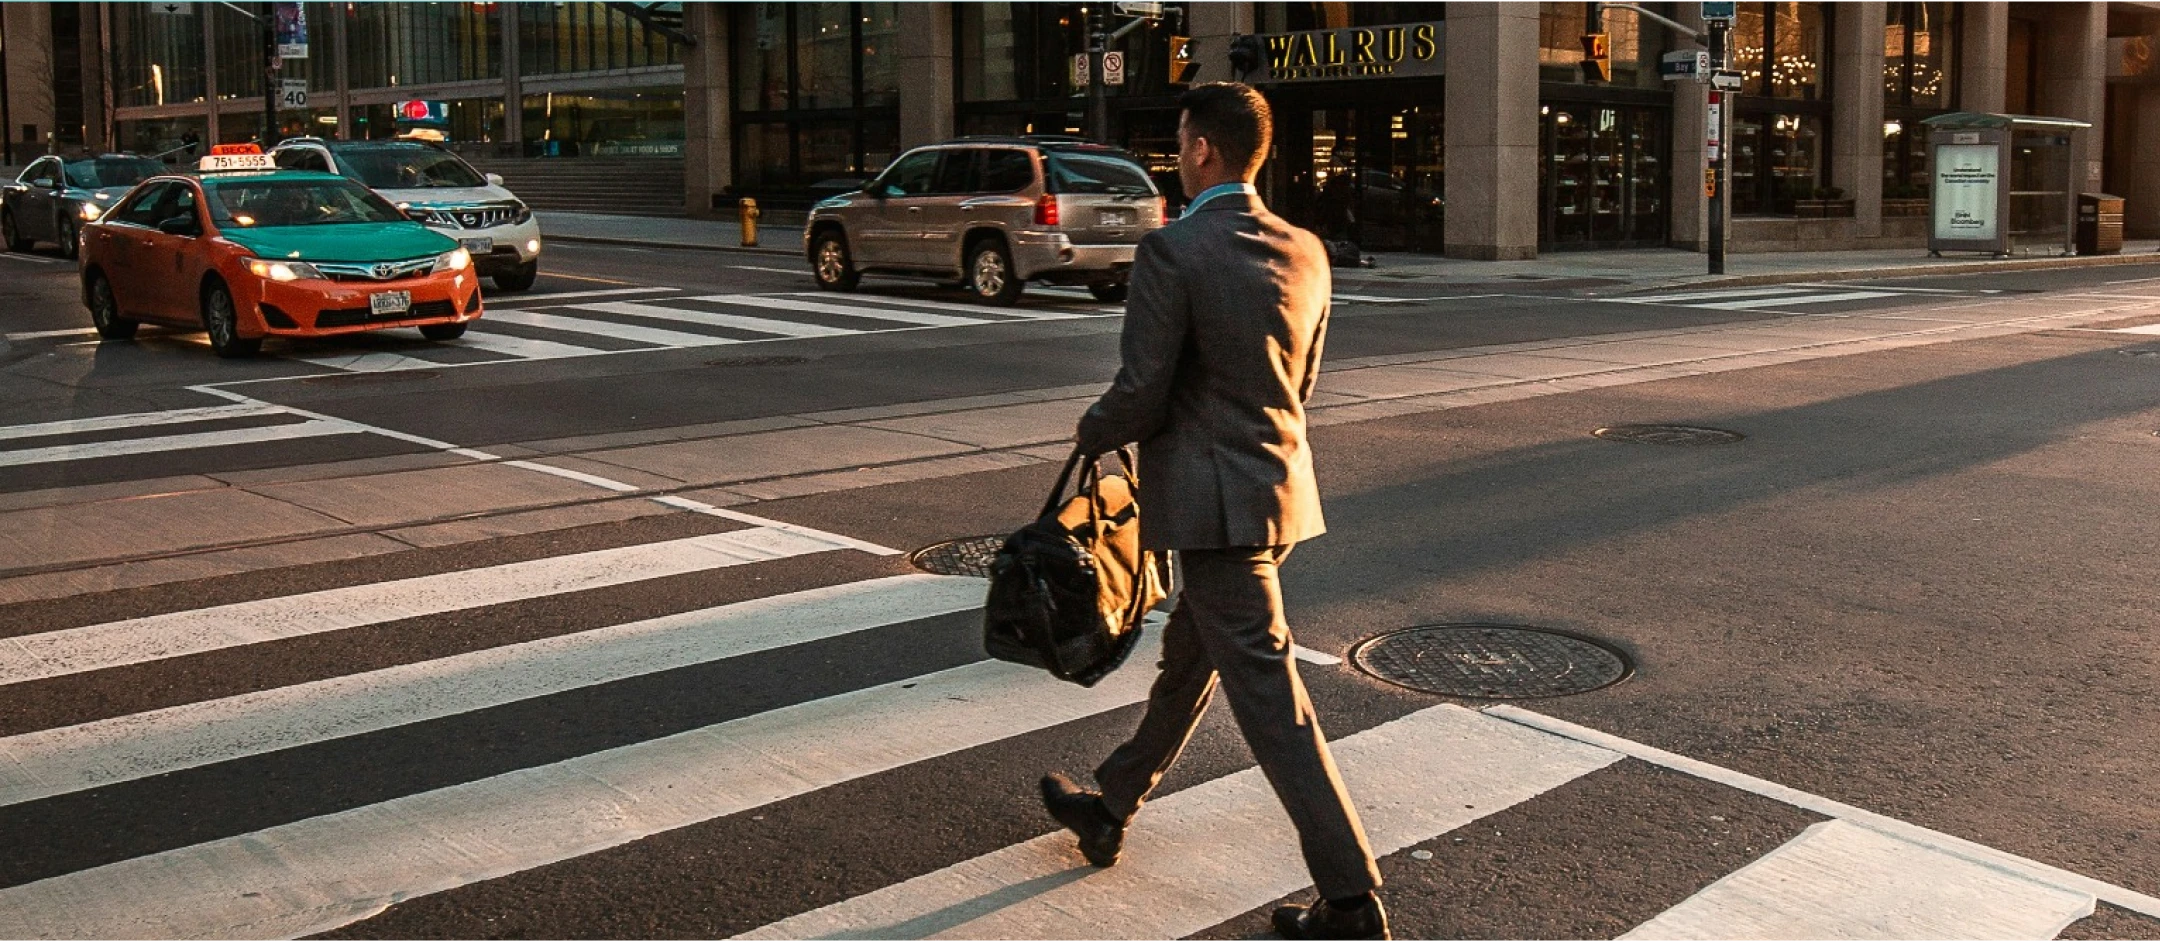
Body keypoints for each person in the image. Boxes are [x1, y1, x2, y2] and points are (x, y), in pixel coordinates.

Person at [1041, 82, 1389, 941]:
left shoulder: (1176, 250)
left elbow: (1142, 392)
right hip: (1276, 491)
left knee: (1273, 702)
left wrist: (1093, 431)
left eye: (1181, 140)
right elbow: (1298, 387)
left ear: (1202, 150)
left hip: (1211, 508)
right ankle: (1112, 804)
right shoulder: (1306, 248)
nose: (1179, 154)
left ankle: (1351, 900)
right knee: (1191, 656)